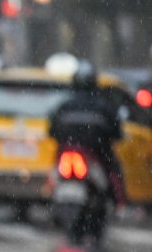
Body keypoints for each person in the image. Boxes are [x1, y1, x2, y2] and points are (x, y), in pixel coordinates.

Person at [48, 60, 125, 206]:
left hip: (71, 151)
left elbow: (52, 130)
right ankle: (119, 204)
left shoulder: (65, 105)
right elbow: (115, 130)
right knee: (114, 170)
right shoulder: (103, 106)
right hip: (95, 153)